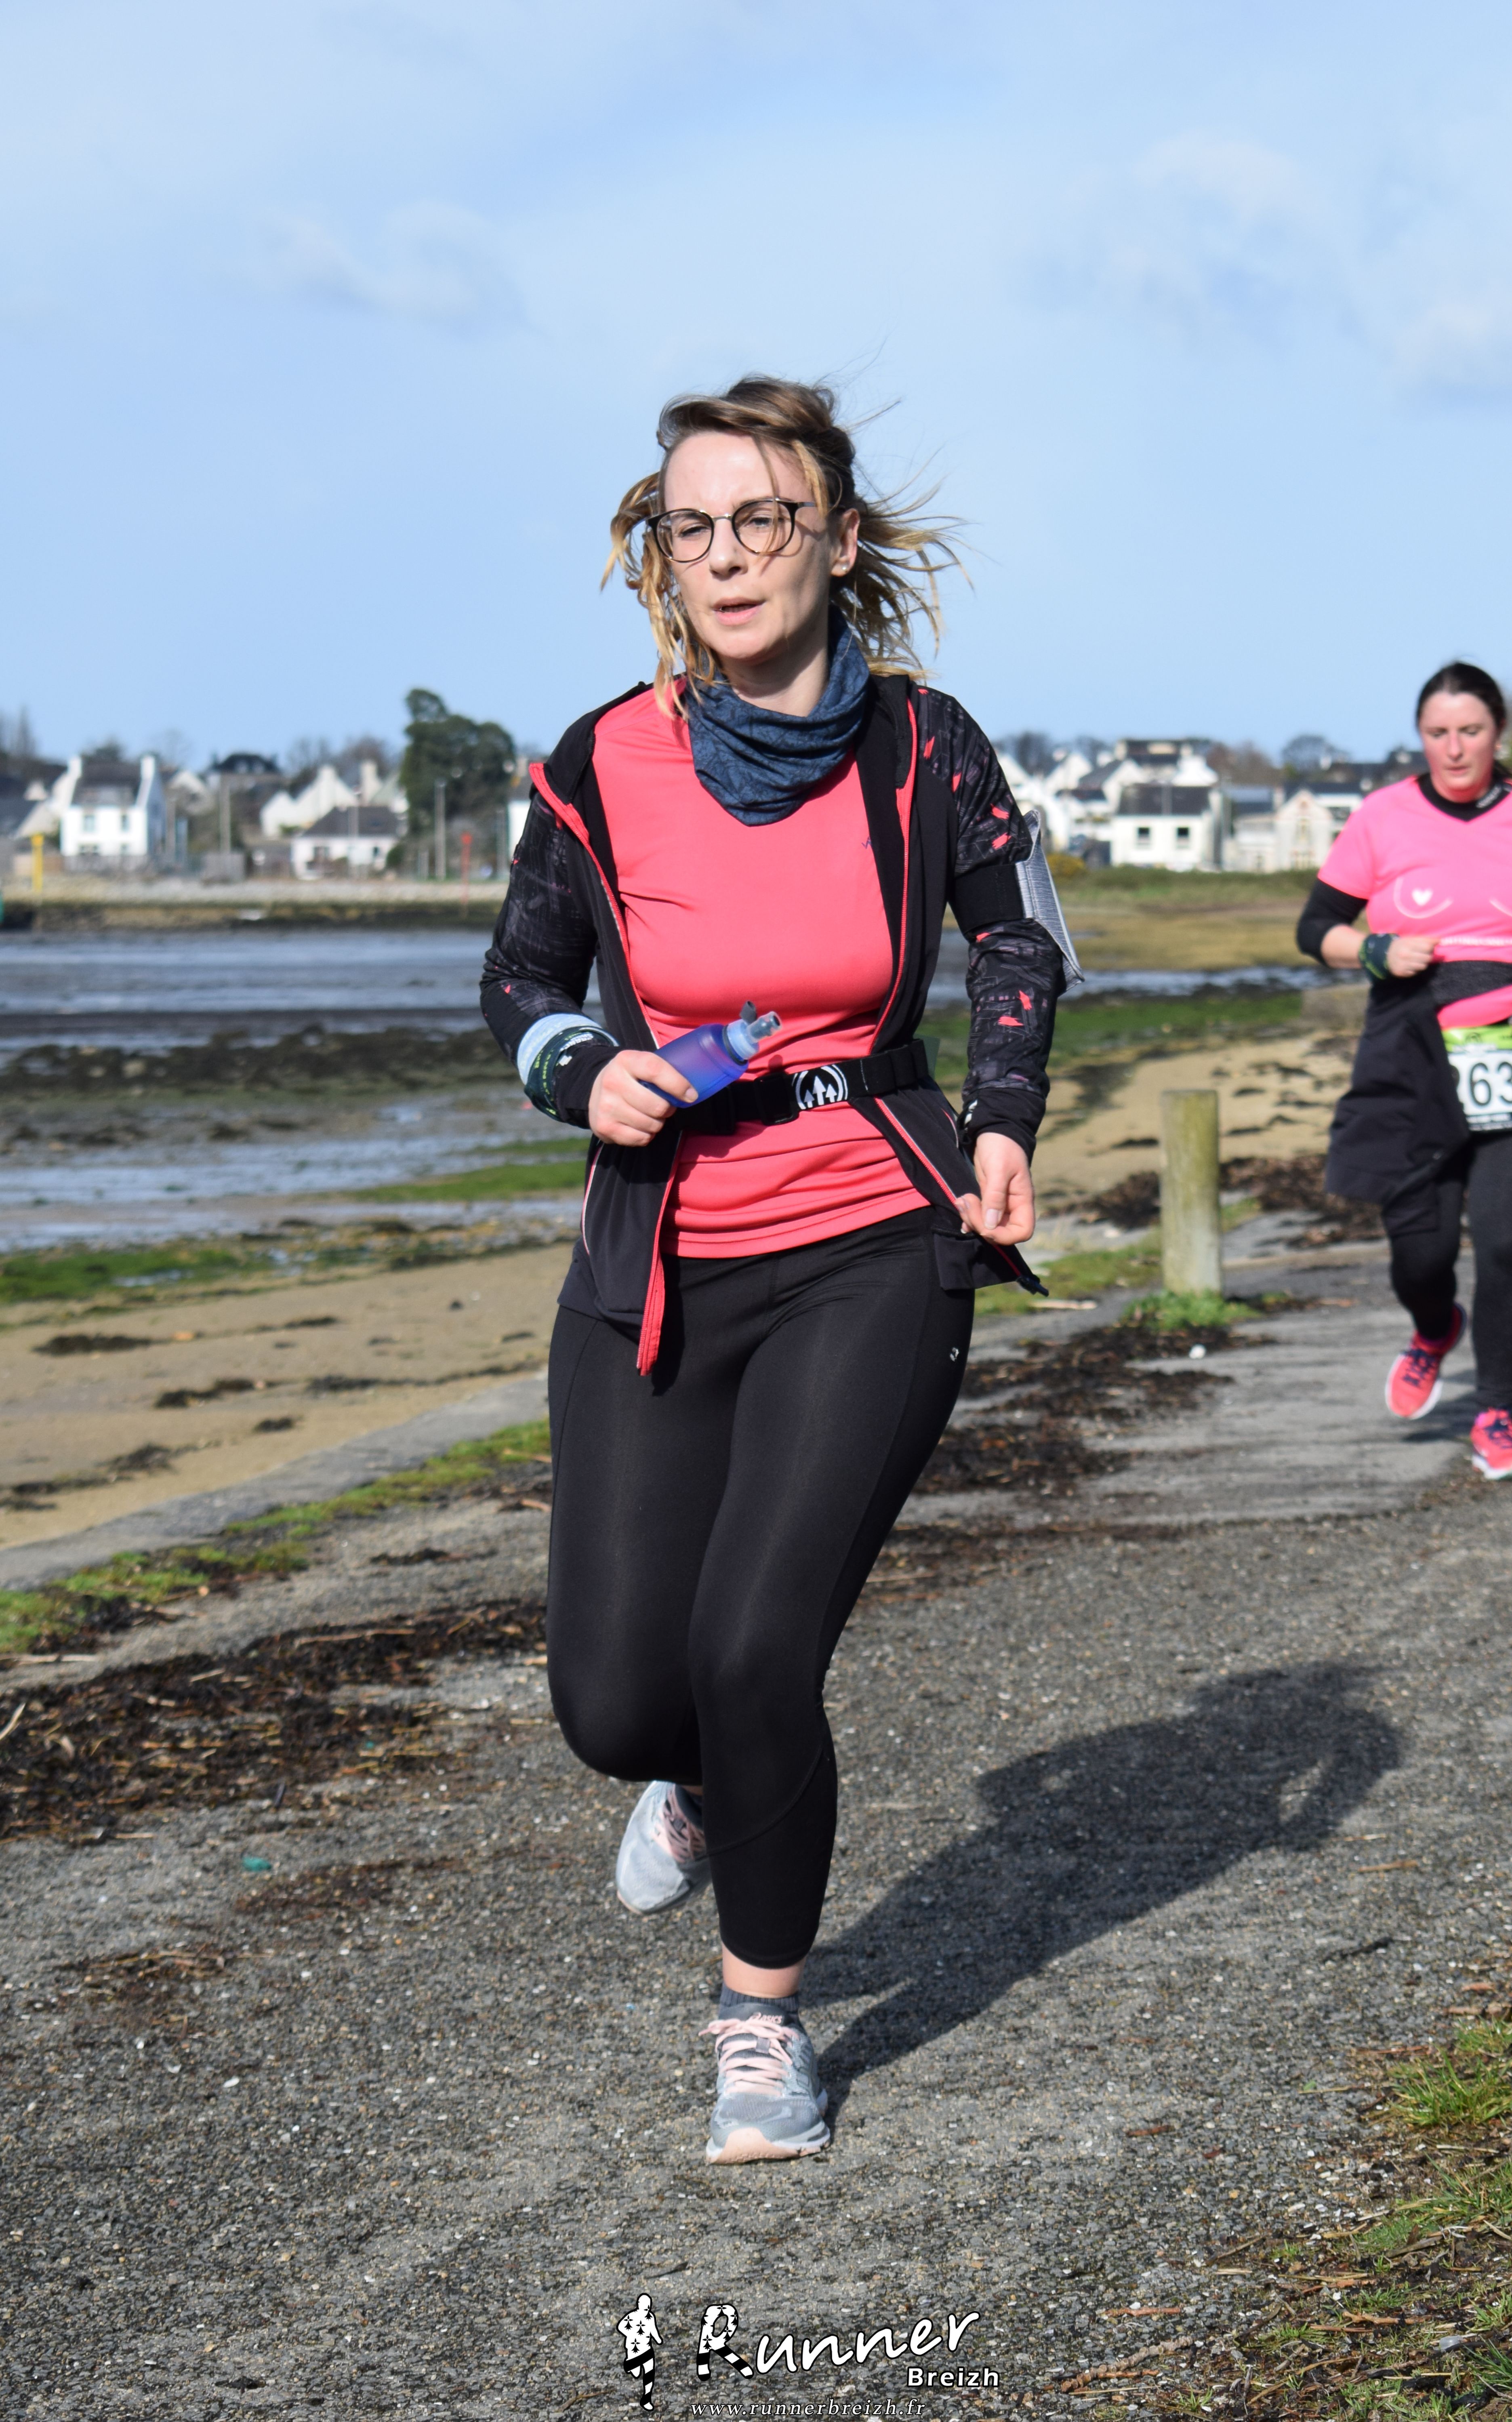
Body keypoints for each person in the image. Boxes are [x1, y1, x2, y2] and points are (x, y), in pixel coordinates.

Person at [480, 377, 1076, 2161]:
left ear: (835, 537)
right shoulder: (603, 759)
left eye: (763, 519)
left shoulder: (926, 745)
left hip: (874, 1232)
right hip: (662, 1249)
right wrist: (583, 1068)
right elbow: (520, 980)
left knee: (755, 1648)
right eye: (694, 527)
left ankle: (761, 2022)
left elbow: (1018, 938)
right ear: (661, 555)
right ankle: (690, 1777)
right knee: (616, 1701)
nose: (728, 557)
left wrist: (1003, 1115)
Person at [1297, 660, 1512, 1478]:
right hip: (1410, 1044)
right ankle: (1435, 1329)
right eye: (1437, 733)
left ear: (1497, 733)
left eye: (1470, 730)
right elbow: (1316, 927)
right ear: (1421, 738)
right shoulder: (1382, 816)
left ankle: (1497, 1412)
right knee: (1421, 1251)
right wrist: (1374, 949)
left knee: (1505, 1240)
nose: (1455, 748)